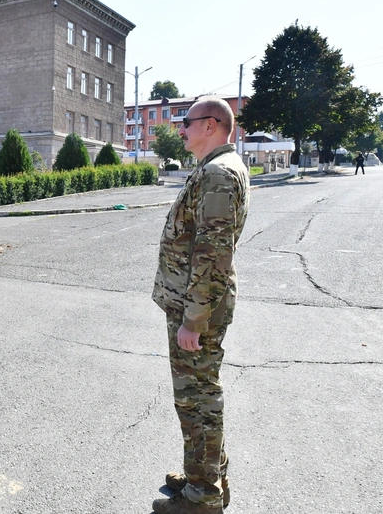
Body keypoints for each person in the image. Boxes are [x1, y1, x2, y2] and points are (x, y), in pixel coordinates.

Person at [151, 97, 250, 513]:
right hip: (196, 304)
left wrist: (193, 320)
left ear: (211, 125)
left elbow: (213, 253)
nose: (181, 130)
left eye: (186, 122)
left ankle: (203, 497)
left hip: (198, 310)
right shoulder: (218, 169)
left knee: (198, 400)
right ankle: (204, 475)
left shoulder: (218, 174)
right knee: (197, 397)